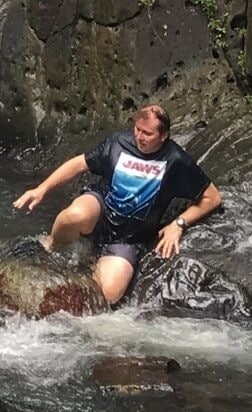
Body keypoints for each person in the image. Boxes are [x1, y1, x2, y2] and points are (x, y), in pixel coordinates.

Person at [11, 103, 220, 306]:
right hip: (100, 209)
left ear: (163, 136)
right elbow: (78, 164)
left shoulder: (176, 160)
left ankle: (88, 269)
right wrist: (42, 189)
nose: (139, 137)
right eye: (137, 129)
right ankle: (53, 247)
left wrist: (179, 224)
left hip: (130, 237)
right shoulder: (118, 142)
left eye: (147, 133)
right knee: (73, 216)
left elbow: (212, 198)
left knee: (108, 295)